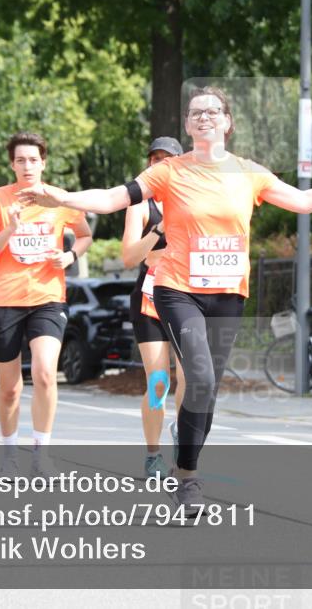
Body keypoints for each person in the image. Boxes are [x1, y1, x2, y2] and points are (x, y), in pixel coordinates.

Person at [18, 87, 312, 513]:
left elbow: (303, 201)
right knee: (198, 377)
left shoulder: (249, 173)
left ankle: (184, 470)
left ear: (227, 122)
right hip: (177, 289)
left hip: (227, 294)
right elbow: (113, 198)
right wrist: (63, 198)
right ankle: (187, 480)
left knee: (206, 391)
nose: (204, 116)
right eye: (195, 112)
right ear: (187, 125)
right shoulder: (169, 172)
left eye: (213, 110)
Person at [0, 132, 92, 478]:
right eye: (21, 160)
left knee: (44, 373)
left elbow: (84, 235)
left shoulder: (58, 199)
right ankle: (10, 455)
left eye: (33, 160)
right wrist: (9, 229)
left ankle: (42, 455)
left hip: (47, 298)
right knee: (10, 388)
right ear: (12, 165)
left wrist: (69, 255)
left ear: (44, 163)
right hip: (4, 301)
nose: (27, 166)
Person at [121, 136, 187, 478]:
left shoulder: (193, 199)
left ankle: (183, 434)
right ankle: (153, 453)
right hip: (149, 298)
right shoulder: (141, 204)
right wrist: (158, 230)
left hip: (186, 296)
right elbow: (131, 256)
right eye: (154, 158)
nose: (159, 163)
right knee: (159, 381)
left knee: (191, 377)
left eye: (167, 158)